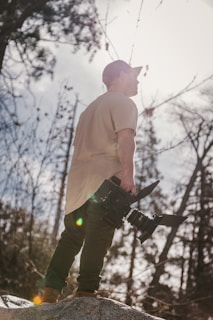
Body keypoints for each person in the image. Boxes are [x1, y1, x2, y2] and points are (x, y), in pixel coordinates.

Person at [42, 60, 142, 303]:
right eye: (134, 75)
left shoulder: (88, 110)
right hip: (105, 182)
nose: (138, 80)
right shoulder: (125, 103)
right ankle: (86, 292)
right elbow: (125, 138)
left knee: (71, 237)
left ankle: (50, 291)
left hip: (77, 188)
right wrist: (128, 175)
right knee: (98, 235)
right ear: (120, 75)